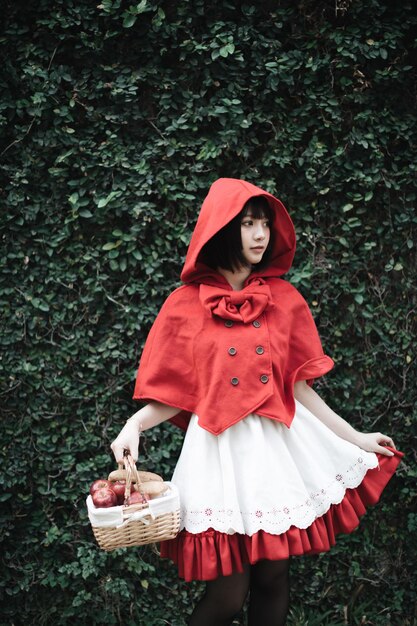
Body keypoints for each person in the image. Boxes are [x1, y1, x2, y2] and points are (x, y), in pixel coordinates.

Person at [111, 178, 403, 626]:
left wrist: (357, 437)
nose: (260, 235)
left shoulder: (283, 299)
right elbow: (176, 393)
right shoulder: (183, 305)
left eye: (264, 224)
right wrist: (133, 426)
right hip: (220, 455)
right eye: (248, 224)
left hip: (276, 454)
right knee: (228, 593)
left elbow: (299, 390)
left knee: (273, 579)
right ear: (224, 229)